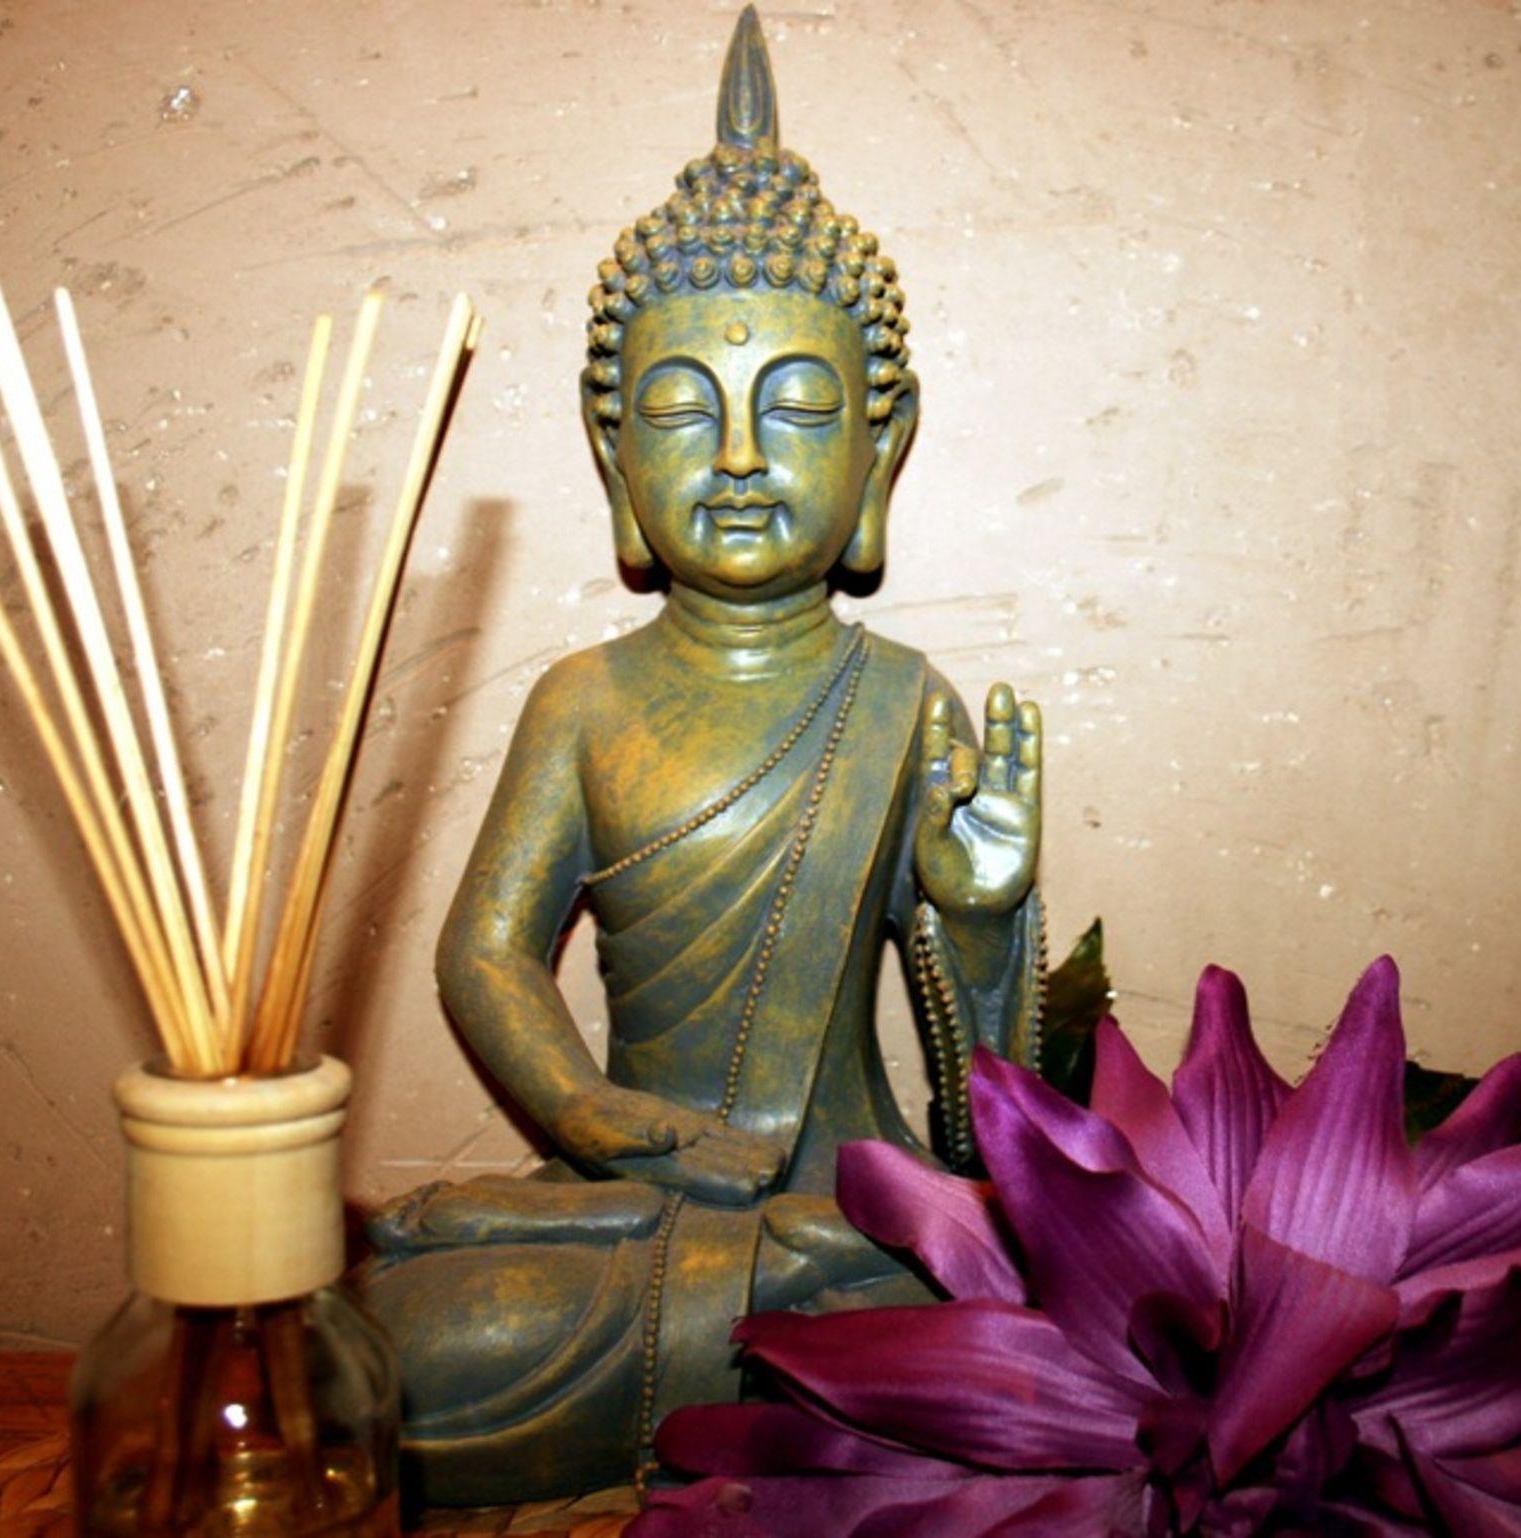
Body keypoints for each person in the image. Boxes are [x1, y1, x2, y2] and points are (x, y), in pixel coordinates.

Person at [361, 9, 1047, 1506]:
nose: (739, 456)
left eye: (796, 406)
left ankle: (766, 1349)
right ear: (614, 449)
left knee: (975, 1311)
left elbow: (985, 1120)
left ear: (882, 446)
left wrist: (984, 924)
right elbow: (487, 953)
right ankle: (757, 1367)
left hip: (849, 1223)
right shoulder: (582, 700)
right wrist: (590, 1115)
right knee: (395, 1350)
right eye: (683, 409)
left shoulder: (906, 703)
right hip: (629, 1208)